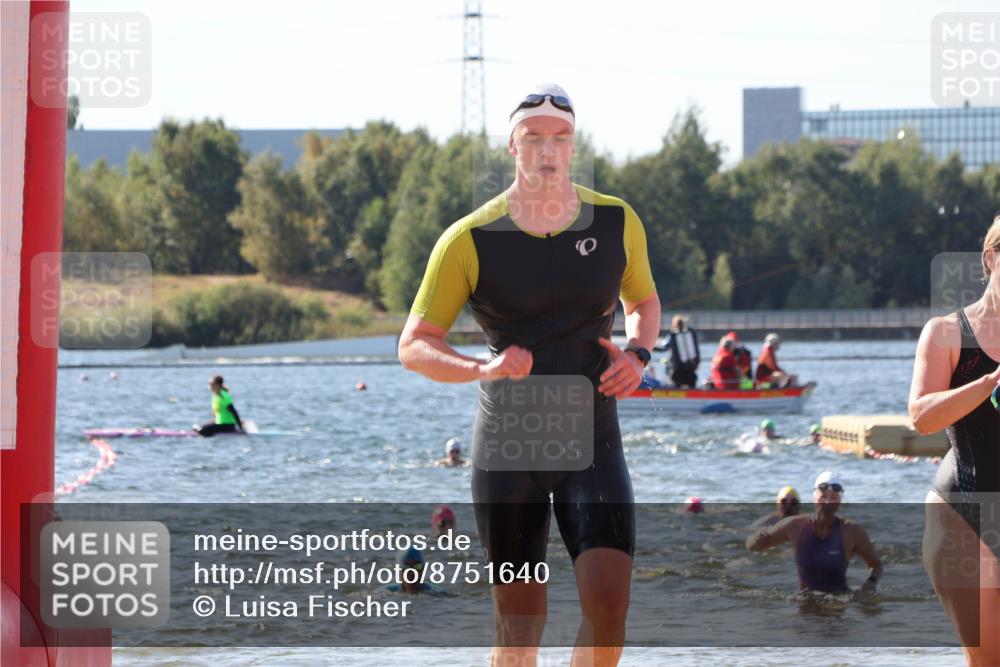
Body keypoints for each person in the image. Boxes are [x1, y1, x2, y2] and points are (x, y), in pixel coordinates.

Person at [397, 82, 660, 667]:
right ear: (512, 146)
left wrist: (638, 354)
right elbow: (413, 346)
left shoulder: (616, 220)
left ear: (574, 145)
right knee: (520, 632)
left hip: (593, 439)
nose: (548, 149)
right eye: (534, 137)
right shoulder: (469, 238)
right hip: (509, 448)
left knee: (609, 610)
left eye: (560, 138)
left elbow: (643, 300)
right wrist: (482, 367)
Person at [908, 213, 1000, 666]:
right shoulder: (946, 333)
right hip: (963, 512)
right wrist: (989, 383)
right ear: (992, 258)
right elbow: (922, 417)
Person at [746, 472, 882, 594]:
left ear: (840, 500)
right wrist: (756, 539)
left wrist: (871, 582)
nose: (827, 501)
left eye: (833, 497)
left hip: (840, 602)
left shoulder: (852, 531)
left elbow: (876, 565)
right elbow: (751, 546)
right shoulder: (794, 526)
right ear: (814, 496)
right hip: (804, 600)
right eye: (823, 496)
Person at [656, 314, 700, 388]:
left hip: (677, 371)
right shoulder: (691, 334)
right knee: (691, 388)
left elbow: (664, 347)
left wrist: (651, 347)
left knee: (676, 387)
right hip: (691, 370)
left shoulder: (672, 335)